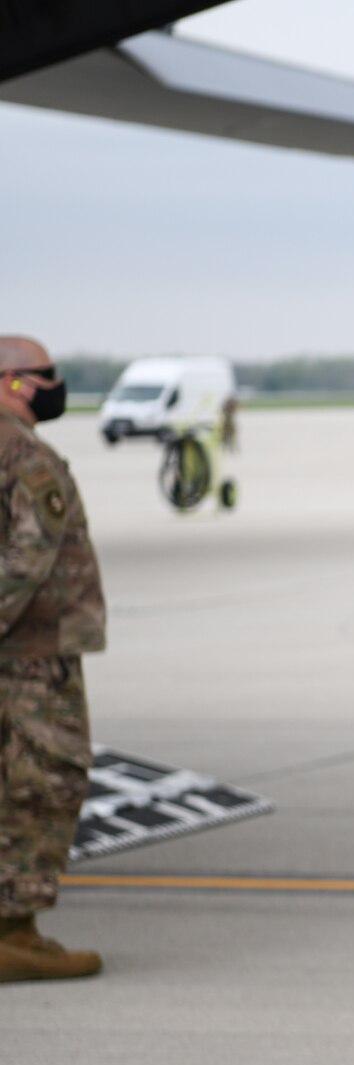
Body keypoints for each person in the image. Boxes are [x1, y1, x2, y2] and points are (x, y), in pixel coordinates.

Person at [0, 338, 104, 983]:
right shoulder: (25, 455)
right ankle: (15, 929)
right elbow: (25, 563)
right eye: (45, 376)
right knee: (40, 782)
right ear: (11, 380)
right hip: (31, 659)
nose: (56, 385)